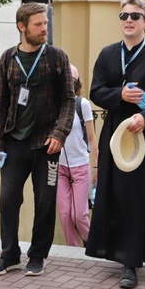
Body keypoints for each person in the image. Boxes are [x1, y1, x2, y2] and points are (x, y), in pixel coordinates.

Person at [85, 0, 145, 289]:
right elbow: (96, 92)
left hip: (144, 138)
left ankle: (132, 262)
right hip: (115, 133)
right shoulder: (107, 54)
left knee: (137, 197)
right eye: (124, 16)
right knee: (114, 193)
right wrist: (120, 96)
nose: (128, 20)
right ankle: (115, 250)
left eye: (135, 16)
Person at [0, 2, 75, 277]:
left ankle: (37, 255)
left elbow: (68, 101)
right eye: (38, 24)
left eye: (46, 23)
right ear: (21, 27)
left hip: (46, 144)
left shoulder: (57, 57)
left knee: (46, 202)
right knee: (7, 200)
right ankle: (9, 255)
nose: (44, 28)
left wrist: (59, 133)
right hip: (14, 143)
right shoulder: (7, 59)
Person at [56, 64, 98, 247]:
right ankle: (74, 252)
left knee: (79, 215)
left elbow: (91, 138)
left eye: (71, 81)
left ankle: (95, 245)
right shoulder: (53, 105)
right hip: (59, 167)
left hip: (80, 166)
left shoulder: (83, 104)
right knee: (65, 215)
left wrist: (95, 166)